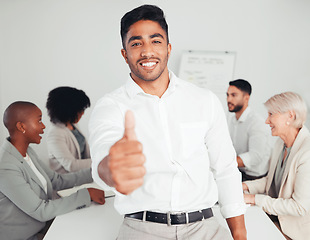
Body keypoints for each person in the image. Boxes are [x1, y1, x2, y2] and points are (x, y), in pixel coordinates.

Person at [89, 4, 246, 240]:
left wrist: (239, 233)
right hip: (141, 229)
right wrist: (110, 168)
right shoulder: (110, 107)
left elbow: (225, 169)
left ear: (168, 48)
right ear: (125, 54)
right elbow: (102, 157)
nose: (147, 51)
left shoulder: (204, 100)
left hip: (205, 227)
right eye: (136, 43)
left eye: (156, 41)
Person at [0, 101, 105, 240]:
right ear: (21, 126)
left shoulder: (27, 152)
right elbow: (40, 210)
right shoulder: (6, 166)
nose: (43, 126)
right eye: (39, 121)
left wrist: (98, 171)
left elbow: (56, 180)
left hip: (43, 229)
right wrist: (86, 194)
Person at [243, 92, 310, 240]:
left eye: (271, 114)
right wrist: (244, 186)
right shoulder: (281, 143)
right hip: (274, 221)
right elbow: (270, 181)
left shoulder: (307, 153)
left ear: (290, 116)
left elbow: (299, 207)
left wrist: (254, 199)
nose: (267, 121)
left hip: (294, 233)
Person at [226, 79, 271, 181]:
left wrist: (226, 162)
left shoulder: (256, 122)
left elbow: (255, 156)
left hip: (254, 177)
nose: (229, 99)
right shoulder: (232, 119)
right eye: (228, 95)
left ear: (246, 98)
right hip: (238, 171)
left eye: (233, 95)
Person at [46, 86, 92, 173]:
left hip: (84, 175)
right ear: (68, 110)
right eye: (80, 110)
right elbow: (71, 165)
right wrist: (102, 161)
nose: (82, 113)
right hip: (67, 182)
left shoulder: (73, 125)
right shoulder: (55, 133)